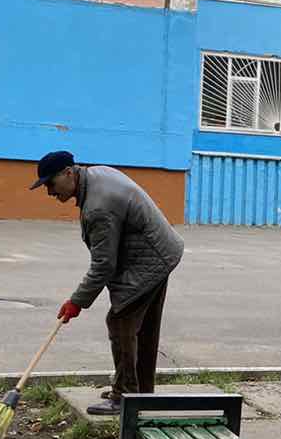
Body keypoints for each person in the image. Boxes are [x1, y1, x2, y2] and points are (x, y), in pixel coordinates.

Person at [31, 150, 184, 415]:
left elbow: (104, 265)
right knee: (143, 328)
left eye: (51, 184)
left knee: (120, 323)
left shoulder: (98, 207)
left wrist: (76, 302)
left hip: (149, 260)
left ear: (68, 173)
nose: (49, 192)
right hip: (161, 251)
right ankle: (139, 392)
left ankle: (123, 396)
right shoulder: (95, 174)